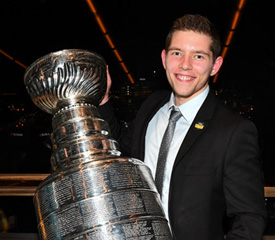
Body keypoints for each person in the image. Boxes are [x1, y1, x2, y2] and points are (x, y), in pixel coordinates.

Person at [99, 14, 266, 240]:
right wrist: (103, 99)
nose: (185, 65)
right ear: (164, 58)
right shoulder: (151, 107)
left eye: (198, 56)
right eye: (177, 53)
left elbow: (249, 219)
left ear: (215, 65)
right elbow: (119, 153)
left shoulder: (233, 131)